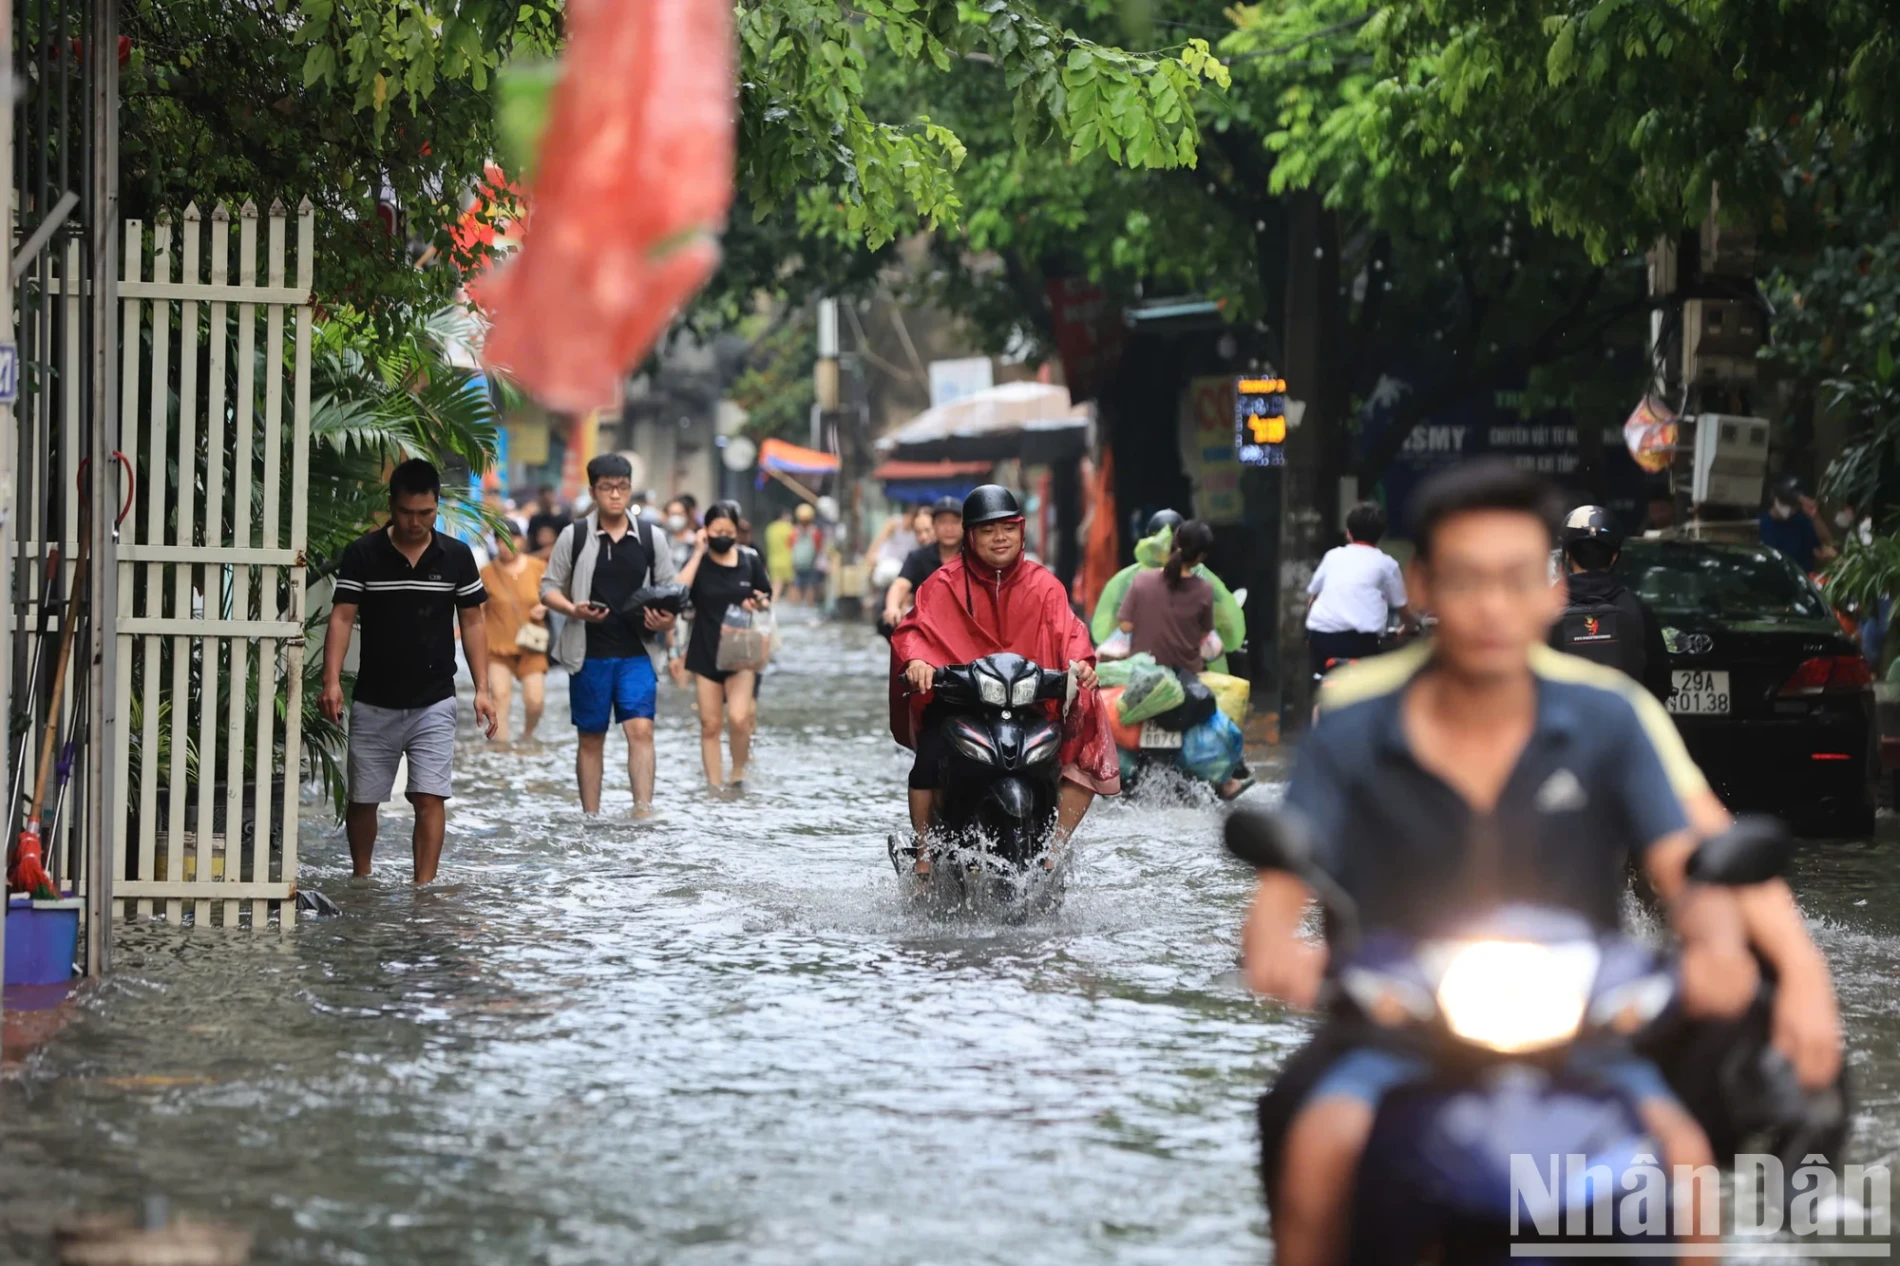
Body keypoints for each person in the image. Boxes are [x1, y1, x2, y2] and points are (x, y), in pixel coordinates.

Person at [1239, 460, 1841, 1266]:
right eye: (1465, 579)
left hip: (1584, 1032)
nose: (1492, 606)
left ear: (1552, 591)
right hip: (1397, 1031)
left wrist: (1786, 969)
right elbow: (1282, 891)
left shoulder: (1610, 718)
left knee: (1688, 1170)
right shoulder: (1354, 718)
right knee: (1314, 1141)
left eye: (1516, 579)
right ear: (1420, 587)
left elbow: (1695, 851)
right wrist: (1281, 951)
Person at [890, 485, 1120, 871]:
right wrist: (918, 662)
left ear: (1021, 531)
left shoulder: (1045, 585)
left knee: (1082, 737)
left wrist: (1081, 665)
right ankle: (925, 855)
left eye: (1008, 528)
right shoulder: (942, 583)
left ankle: (1053, 851)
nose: (1000, 538)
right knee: (928, 758)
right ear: (970, 536)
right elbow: (915, 632)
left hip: (1030, 703)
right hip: (959, 702)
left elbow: (1071, 633)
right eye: (988, 530)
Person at [320, 459, 497, 884]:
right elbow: (342, 617)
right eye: (406, 512)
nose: (415, 522)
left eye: (425, 513)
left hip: (435, 698)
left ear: (437, 507)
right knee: (363, 799)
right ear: (391, 506)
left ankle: (425, 889)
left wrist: (483, 689)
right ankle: (361, 878)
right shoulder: (363, 554)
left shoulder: (456, 557)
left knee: (429, 796)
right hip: (373, 697)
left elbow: (473, 622)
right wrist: (330, 682)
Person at [540, 454, 680, 816]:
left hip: (639, 652)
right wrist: (573, 609)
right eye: (607, 488)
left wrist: (666, 623)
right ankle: (591, 816)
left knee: (641, 730)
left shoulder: (651, 537)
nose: (615, 495)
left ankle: (643, 812)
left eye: (622, 487)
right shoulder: (575, 535)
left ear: (630, 489)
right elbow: (548, 588)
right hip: (589, 653)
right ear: (593, 491)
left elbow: (670, 591)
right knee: (590, 737)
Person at [1115, 519, 1252, 800]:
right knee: (1221, 724)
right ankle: (1228, 782)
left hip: (1142, 679)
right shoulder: (1204, 590)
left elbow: (1125, 627)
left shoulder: (1141, 581)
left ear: (1173, 543)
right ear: (1201, 556)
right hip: (1185, 683)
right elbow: (1205, 634)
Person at [676, 501, 774, 791]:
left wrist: (758, 601)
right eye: (717, 530)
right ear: (705, 531)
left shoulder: (750, 560)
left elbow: (766, 598)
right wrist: (696, 553)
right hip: (704, 649)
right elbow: (678, 592)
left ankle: (738, 772)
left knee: (740, 717)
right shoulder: (698, 563)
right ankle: (714, 788)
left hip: (739, 649)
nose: (723, 535)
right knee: (710, 724)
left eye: (729, 530)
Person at [1089, 509, 1246, 674]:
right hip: (1189, 674)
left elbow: (1109, 629)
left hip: (1142, 672)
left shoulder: (1134, 579)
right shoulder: (1204, 582)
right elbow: (1220, 628)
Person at [1550, 504, 1672, 703]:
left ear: (1567, 555)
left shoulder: (1542, 610)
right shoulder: (1636, 609)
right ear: (1614, 556)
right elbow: (1660, 683)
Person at [1303, 501, 1415, 682]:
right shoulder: (1386, 564)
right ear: (1380, 535)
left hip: (1321, 638)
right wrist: (1410, 627)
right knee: (1366, 689)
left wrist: (1308, 635)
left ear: (1348, 533)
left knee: (1323, 687)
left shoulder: (1332, 556)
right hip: (1361, 643)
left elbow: (1313, 599)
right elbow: (1402, 608)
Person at [479, 523, 551, 743]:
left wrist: (545, 607)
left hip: (531, 646)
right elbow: (477, 613)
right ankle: (501, 751)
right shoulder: (487, 573)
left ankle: (526, 736)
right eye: (499, 541)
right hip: (497, 647)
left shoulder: (538, 567)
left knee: (535, 702)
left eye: (510, 540)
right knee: (499, 698)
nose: (504, 546)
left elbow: (554, 594)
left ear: (521, 541)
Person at [881, 496, 962, 632]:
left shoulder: (974, 555)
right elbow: (900, 584)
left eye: (954, 522)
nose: (949, 528)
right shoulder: (918, 557)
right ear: (934, 525)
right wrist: (892, 607)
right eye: (943, 522)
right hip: (927, 626)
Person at [1758, 474, 1835, 573]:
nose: (1789, 508)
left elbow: (1828, 542)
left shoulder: (1801, 523)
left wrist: (1815, 517)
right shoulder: (1763, 523)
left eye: (1794, 506)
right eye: (1785, 503)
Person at [788, 502, 826, 604]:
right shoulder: (815, 532)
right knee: (811, 586)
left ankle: (795, 608)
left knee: (796, 585)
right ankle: (809, 608)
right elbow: (819, 548)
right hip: (811, 563)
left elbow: (790, 546)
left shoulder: (794, 531)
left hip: (797, 564)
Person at [763, 508, 796, 601]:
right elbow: (793, 545)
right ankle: (793, 610)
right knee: (792, 587)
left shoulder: (770, 528)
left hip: (773, 560)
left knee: (775, 586)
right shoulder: (789, 528)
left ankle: (771, 608)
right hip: (788, 561)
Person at [664, 497, 700, 572]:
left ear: (686, 515)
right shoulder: (661, 537)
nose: (676, 517)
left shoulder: (694, 540)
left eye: (679, 514)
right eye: (673, 514)